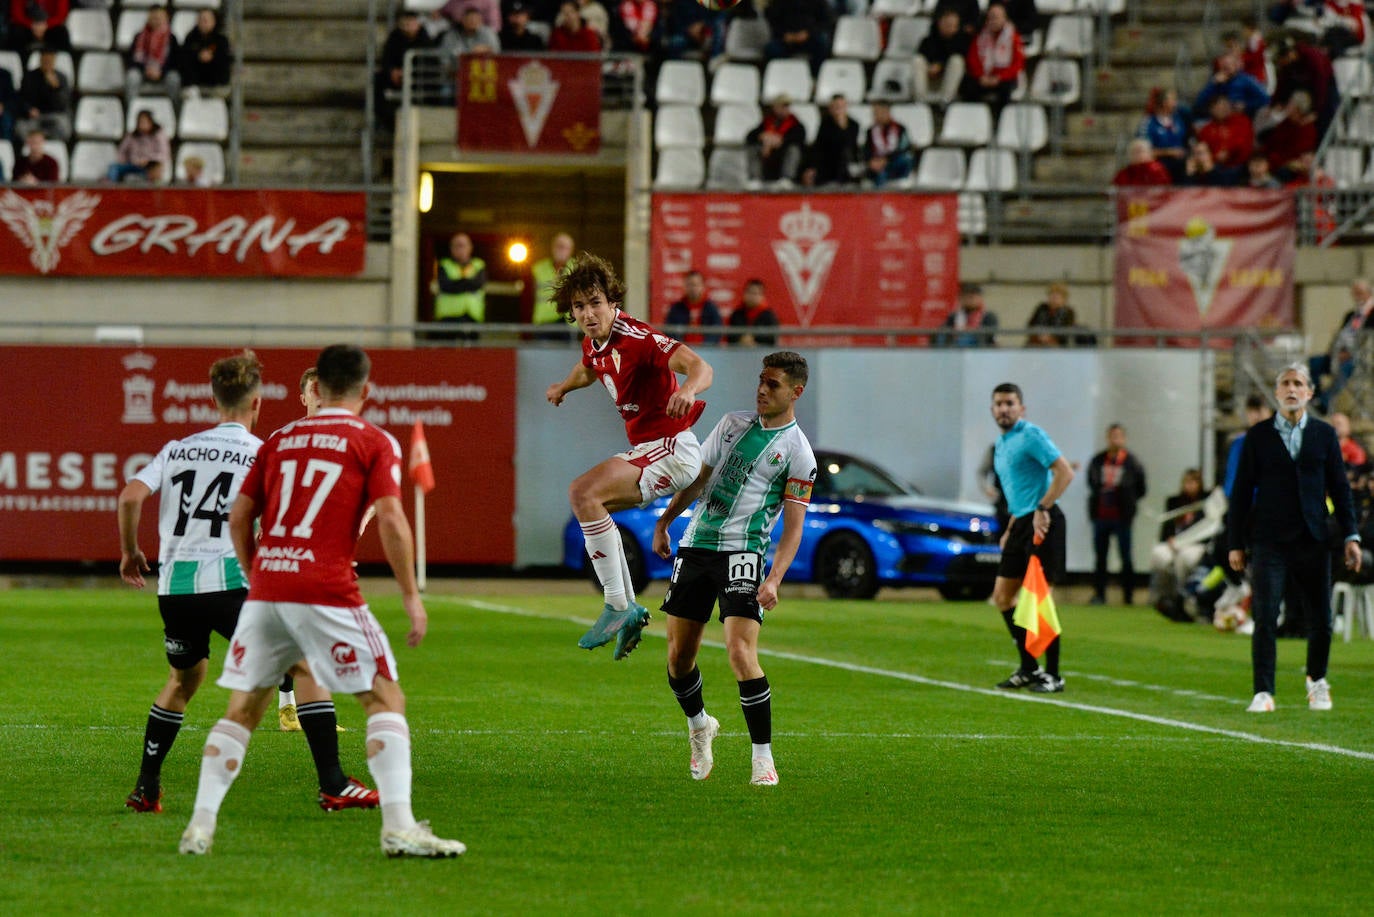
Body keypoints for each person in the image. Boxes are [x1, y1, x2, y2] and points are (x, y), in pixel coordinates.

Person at [178, 344, 464, 858]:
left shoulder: (279, 439)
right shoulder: (373, 440)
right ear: (365, 391)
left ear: (317, 387)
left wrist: (255, 573)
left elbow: (239, 515)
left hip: (267, 588)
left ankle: (199, 826)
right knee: (384, 698)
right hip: (327, 587)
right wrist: (410, 597)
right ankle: (398, 826)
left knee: (242, 710)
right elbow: (393, 520)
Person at [118, 351, 377, 816]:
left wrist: (130, 551)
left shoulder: (177, 449)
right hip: (230, 586)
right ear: (257, 403)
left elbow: (130, 496)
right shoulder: (264, 451)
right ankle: (334, 783)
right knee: (306, 667)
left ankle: (146, 787)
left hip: (174, 592)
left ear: (214, 399)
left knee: (182, 679)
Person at [652, 351, 816, 787]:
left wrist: (775, 577)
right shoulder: (730, 424)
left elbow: (794, 528)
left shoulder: (799, 453)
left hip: (743, 554)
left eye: (773, 384)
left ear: (796, 392)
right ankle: (699, 725)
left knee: (741, 654)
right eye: (761, 381)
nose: (762, 389)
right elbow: (697, 478)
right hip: (696, 546)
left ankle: (762, 758)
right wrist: (666, 522)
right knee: (678, 658)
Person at [545, 252, 713, 659]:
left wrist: (688, 389)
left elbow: (699, 365)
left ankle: (617, 605)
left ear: (612, 303)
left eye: (595, 302)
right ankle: (628, 606)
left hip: (673, 446)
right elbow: (588, 368)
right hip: (651, 449)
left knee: (583, 491)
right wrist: (564, 387)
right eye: (580, 306)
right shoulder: (593, 343)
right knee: (591, 503)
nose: (588, 313)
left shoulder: (637, 338)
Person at [1227, 363, 1361, 713]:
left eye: (1298, 383)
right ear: (1276, 392)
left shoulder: (1324, 435)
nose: (1291, 388)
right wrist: (1235, 542)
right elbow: (1241, 493)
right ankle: (1264, 691)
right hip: (1269, 540)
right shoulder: (1257, 437)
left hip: (1314, 539)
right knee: (1266, 615)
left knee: (1321, 618)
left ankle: (1317, 681)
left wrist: (1351, 535)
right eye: (1285, 383)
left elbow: (1340, 488)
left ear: (1310, 392)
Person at [989, 382, 1075, 693]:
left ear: (1021, 408)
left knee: (1038, 599)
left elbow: (1065, 472)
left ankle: (1053, 674)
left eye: (1010, 403)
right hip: (1021, 521)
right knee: (1002, 597)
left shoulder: (1031, 435)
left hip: (1044, 522)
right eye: (999, 404)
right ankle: (1029, 666)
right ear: (992, 409)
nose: (1004, 409)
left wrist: (1043, 507)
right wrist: (1012, 527)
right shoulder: (1001, 443)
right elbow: (1019, 492)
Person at [1087, 423, 1148, 605]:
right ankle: (1099, 594)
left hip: (1122, 517)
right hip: (1101, 516)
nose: (1115, 440)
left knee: (1126, 558)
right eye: (1112, 436)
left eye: (1119, 436)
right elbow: (1091, 483)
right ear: (1108, 438)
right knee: (1100, 558)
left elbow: (1141, 488)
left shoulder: (1132, 462)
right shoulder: (1098, 460)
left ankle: (1128, 597)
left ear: (1124, 438)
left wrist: (1128, 499)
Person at [1149, 468, 1210, 620]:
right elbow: (1166, 528)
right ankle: (1161, 597)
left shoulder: (1206, 503)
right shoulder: (1174, 502)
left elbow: (1207, 531)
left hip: (1195, 544)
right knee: (1159, 554)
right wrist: (1170, 540)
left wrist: (1184, 542)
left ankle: (1182, 597)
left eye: (1194, 482)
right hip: (1174, 542)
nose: (1190, 486)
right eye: (1187, 482)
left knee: (1184, 558)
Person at [1308, 278, 1373, 413]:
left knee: (1345, 369)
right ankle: (1316, 398)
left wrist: (1350, 353)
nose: (1357, 297)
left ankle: (1325, 402)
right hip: (1337, 354)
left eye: (1360, 293)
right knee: (1314, 363)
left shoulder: (1372, 315)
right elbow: (1340, 336)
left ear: (1369, 293)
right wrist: (1331, 351)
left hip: (1357, 359)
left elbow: (1367, 342)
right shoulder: (1351, 315)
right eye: (1354, 293)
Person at [375, 10, 438, 130]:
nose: (407, 26)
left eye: (411, 23)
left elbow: (430, 64)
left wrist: (409, 72)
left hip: (419, 79)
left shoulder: (425, 40)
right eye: (404, 23)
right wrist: (392, 70)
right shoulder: (394, 37)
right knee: (377, 80)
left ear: (417, 24)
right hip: (397, 79)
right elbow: (386, 58)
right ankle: (385, 121)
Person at [960, 2, 1025, 113]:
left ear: (1004, 19)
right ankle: (974, 117)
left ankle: (1001, 121)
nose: (993, 21)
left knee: (1006, 89)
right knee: (967, 86)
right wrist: (981, 76)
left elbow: (1018, 63)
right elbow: (972, 59)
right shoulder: (981, 36)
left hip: (1003, 78)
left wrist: (1000, 77)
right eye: (991, 17)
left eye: (996, 17)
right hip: (984, 77)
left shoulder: (1013, 37)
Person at [431, 232, 487, 340]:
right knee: (447, 353)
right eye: (456, 246)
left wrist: (457, 283)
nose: (460, 249)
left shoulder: (478, 265)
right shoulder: (444, 265)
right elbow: (446, 286)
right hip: (447, 319)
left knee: (471, 354)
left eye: (462, 245)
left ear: (470, 247)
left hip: (472, 317)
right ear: (451, 248)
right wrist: (467, 283)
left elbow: (478, 283)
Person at [125, 5, 181, 109]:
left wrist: (161, 71)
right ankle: (130, 110)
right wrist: (145, 69)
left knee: (174, 78)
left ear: (166, 19)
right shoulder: (139, 37)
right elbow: (132, 60)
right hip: (143, 72)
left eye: (159, 18)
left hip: (163, 73)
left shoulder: (172, 38)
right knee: (132, 77)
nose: (156, 21)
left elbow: (176, 62)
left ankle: (175, 110)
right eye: (153, 18)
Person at [15, 46, 72, 143]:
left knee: (64, 126)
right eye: (45, 59)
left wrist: (56, 88)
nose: (47, 62)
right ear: (40, 59)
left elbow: (63, 105)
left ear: (54, 60)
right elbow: (21, 99)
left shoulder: (61, 78)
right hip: (34, 117)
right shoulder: (30, 76)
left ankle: (50, 144)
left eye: (50, 60)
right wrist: (29, 109)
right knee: (20, 127)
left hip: (53, 117)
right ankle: (34, 145)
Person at [746, 94, 806, 186]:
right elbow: (750, 136)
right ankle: (755, 179)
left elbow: (799, 139)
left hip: (783, 155)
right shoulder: (768, 122)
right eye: (781, 106)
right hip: (768, 155)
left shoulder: (795, 123)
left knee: (793, 150)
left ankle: (787, 179)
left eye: (786, 106)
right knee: (753, 148)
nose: (784, 109)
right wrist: (763, 137)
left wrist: (779, 140)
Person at [1258, 89, 1317, 181]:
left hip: (1286, 163)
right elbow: (1272, 142)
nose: (1287, 106)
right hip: (1272, 158)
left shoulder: (1307, 129)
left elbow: (1296, 153)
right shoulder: (1286, 123)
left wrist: (1273, 159)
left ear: (1298, 108)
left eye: (1290, 104)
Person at [913, 9, 969, 106]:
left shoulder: (962, 42)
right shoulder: (927, 40)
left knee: (957, 61)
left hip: (949, 82)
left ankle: (945, 102)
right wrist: (931, 68)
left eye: (953, 25)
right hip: (929, 79)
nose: (949, 27)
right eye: (946, 24)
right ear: (939, 23)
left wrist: (940, 66)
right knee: (917, 60)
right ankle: (920, 101)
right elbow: (922, 56)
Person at [801, 93, 859, 187]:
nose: (838, 109)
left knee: (845, 153)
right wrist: (812, 167)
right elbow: (819, 147)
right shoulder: (825, 124)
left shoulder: (854, 125)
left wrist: (842, 125)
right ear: (830, 108)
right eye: (836, 106)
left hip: (846, 164)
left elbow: (849, 144)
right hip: (828, 163)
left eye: (841, 106)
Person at [1193, 50, 1269, 120]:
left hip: (1240, 117)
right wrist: (1213, 84)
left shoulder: (1246, 80)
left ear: (1235, 65)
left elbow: (1265, 99)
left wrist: (1246, 106)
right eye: (1223, 65)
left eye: (1229, 64)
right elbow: (1198, 104)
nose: (1226, 67)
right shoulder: (1215, 81)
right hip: (1217, 118)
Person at [764, 0, 834, 75]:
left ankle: (815, 77)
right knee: (772, 49)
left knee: (823, 44)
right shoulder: (778, 2)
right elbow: (772, 21)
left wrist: (808, 33)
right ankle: (780, 76)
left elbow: (825, 21)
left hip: (810, 37)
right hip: (786, 39)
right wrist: (784, 35)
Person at [1196, 95, 1253, 183]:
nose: (1224, 109)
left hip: (1239, 165)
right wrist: (1214, 157)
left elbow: (1244, 143)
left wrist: (1228, 151)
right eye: (1219, 107)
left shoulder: (1242, 121)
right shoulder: (1206, 130)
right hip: (1215, 166)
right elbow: (1203, 149)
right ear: (1211, 110)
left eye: (1226, 106)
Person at [1136, 87, 1190, 182]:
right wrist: (1169, 152)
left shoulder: (1179, 120)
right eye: (1173, 100)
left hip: (1179, 166)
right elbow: (1143, 151)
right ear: (1164, 102)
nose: (1176, 103)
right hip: (1158, 166)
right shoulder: (1149, 123)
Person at [177, 8, 233, 97]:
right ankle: (190, 88)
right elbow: (184, 57)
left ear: (214, 21)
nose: (203, 23)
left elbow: (226, 58)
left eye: (206, 20)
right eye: (200, 20)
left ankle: (221, 87)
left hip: (214, 77)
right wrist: (198, 55)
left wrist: (212, 56)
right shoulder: (190, 37)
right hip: (195, 77)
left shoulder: (221, 40)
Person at [530, 231, 576, 337]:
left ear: (571, 250)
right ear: (552, 247)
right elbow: (530, 295)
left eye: (565, 247)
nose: (561, 250)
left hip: (568, 323)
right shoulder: (539, 268)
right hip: (544, 323)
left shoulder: (578, 268)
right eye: (559, 246)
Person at [107, 109, 170, 184]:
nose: (142, 124)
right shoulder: (132, 135)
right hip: (132, 164)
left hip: (150, 166)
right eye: (140, 122)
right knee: (114, 168)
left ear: (151, 122)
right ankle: (113, 189)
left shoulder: (159, 135)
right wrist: (123, 160)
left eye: (145, 121)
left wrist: (148, 160)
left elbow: (164, 154)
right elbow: (121, 151)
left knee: (152, 173)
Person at [862, 100, 914, 188]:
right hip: (877, 164)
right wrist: (871, 161)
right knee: (879, 172)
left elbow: (904, 149)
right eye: (874, 113)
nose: (875, 116)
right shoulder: (870, 130)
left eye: (877, 113)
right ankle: (879, 199)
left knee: (906, 158)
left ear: (886, 112)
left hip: (895, 162)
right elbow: (867, 149)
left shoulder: (900, 129)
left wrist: (886, 160)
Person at [665, 269, 724, 345]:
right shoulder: (676, 308)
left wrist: (706, 346)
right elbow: (669, 331)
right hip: (681, 351)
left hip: (708, 351)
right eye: (690, 285)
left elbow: (717, 331)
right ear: (685, 286)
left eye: (696, 284)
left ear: (703, 286)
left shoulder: (711, 308)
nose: (693, 288)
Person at [933, 281, 998, 348]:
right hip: (955, 347)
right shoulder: (954, 316)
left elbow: (989, 334)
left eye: (971, 297)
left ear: (980, 298)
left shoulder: (988, 316)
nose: (968, 300)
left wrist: (967, 330)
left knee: (967, 337)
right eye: (964, 297)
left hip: (980, 349)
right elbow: (945, 328)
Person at [1025, 282, 1079, 347]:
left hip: (1056, 345)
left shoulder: (1068, 312)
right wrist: (1039, 335)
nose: (1054, 297)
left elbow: (1067, 331)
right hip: (1036, 342)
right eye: (1052, 294)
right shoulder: (1041, 308)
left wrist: (1050, 338)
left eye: (1058, 295)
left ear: (1064, 299)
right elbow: (1031, 324)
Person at [728, 278, 779, 347]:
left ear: (762, 296)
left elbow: (772, 339)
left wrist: (753, 341)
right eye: (749, 292)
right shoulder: (737, 313)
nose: (751, 296)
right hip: (739, 351)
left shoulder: (769, 315)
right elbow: (730, 336)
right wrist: (742, 340)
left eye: (755, 293)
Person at [5, 2, 72, 54]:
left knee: (62, 34)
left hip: (49, 27)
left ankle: (57, 66)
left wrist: (46, 24)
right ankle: (21, 65)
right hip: (27, 26)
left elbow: (62, 13)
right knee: (16, 34)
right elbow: (16, 13)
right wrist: (31, 24)